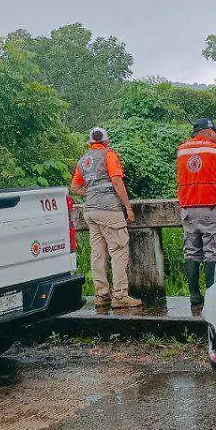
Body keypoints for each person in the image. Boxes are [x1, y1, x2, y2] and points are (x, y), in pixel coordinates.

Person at [70, 127, 144, 309]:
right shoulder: (109, 155)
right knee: (118, 250)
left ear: (90, 143)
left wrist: (90, 194)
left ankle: (102, 295)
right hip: (109, 210)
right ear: (106, 141)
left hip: (90, 211)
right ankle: (120, 296)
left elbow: (74, 187)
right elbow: (117, 181)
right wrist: (128, 207)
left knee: (98, 253)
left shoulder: (84, 160)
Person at [176, 118, 216, 307]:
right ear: (209, 132)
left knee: (191, 252)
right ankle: (212, 296)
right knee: (213, 253)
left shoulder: (182, 150)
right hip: (211, 207)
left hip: (187, 209)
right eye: (215, 132)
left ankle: (194, 295)